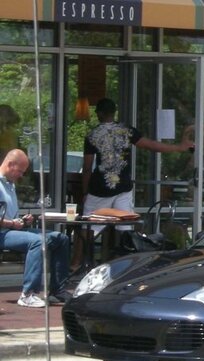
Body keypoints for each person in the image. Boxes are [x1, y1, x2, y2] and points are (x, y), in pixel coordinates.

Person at [71, 98, 193, 265]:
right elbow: (151, 145)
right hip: (123, 187)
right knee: (126, 228)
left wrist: (85, 191)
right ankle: (127, 264)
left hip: (100, 188)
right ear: (113, 112)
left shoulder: (92, 135)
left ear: (98, 113)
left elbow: (86, 167)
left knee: (88, 227)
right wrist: (178, 148)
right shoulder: (126, 131)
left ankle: (75, 264)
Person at [0, 149, 70, 307]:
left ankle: (58, 290)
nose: (21, 176)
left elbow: (9, 215)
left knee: (61, 238)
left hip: (13, 229)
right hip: (3, 233)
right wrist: (11, 223)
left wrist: (23, 221)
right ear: (10, 165)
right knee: (38, 241)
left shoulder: (9, 184)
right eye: (20, 171)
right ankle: (28, 293)